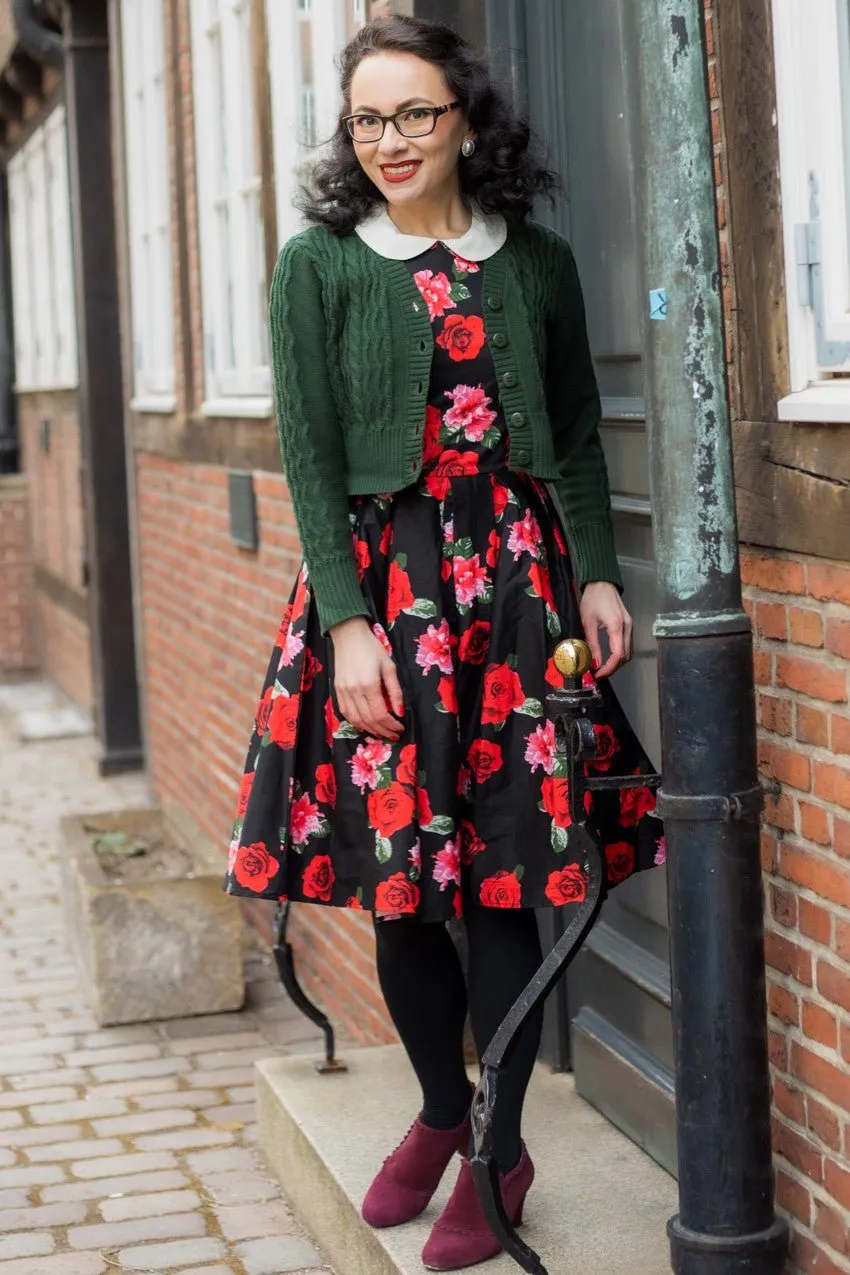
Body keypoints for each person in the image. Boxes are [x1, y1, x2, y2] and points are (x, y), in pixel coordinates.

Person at [223, 13, 664, 1271]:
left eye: (415, 113)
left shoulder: (533, 261)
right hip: (382, 602)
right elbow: (307, 452)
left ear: (466, 115)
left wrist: (593, 576)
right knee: (403, 880)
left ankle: (499, 1148)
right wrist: (349, 625)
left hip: (515, 600)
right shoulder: (319, 264)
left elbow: (574, 432)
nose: (392, 140)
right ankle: (435, 1107)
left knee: (508, 874)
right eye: (368, 119)